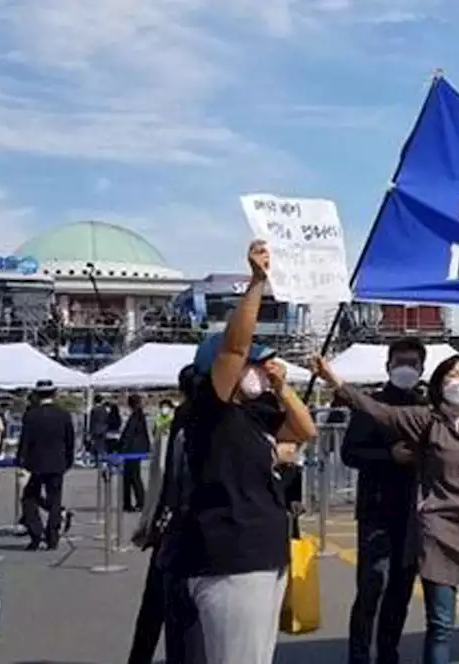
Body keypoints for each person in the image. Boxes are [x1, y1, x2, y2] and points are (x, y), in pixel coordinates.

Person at [310, 302, 459, 664]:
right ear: (440, 384)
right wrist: (335, 381)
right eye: (453, 375)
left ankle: (389, 656)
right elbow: (373, 411)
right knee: (414, 611)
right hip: (419, 525)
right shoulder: (425, 419)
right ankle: (361, 657)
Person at [173, 240, 318, 664]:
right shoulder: (210, 409)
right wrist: (257, 283)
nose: (259, 369)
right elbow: (235, 349)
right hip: (232, 559)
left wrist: (281, 385)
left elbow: (304, 429)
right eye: (256, 365)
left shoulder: (255, 415)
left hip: (262, 554)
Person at [339, 337, 428, 664]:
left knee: (401, 591)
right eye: (400, 362)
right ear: (388, 365)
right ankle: (359, 656)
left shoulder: (426, 405)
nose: (406, 369)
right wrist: (389, 456)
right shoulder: (371, 404)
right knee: (370, 589)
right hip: (376, 510)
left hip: (413, 513)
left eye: (413, 364)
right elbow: (349, 452)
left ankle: (388, 652)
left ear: (422, 368)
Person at [127, 366, 205, 664]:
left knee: (157, 604)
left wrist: (147, 522)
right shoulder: (212, 421)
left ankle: (139, 657)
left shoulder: (174, 420)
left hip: (168, 524)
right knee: (187, 614)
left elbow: (160, 476)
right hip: (199, 526)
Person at [18, 379, 76, 551]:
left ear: (37, 394)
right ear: (54, 394)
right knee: (55, 499)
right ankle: (53, 537)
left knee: (29, 498)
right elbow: (70, 440)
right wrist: (68, 460)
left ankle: (36, 532)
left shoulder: (31, 415)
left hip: (35, 463)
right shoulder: (64, 415)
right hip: (57, 462)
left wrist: (22, 459)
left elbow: (25, 440)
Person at [117, 394, 151, 512]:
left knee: (132, 477)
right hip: (136, 450)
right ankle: (132, 502)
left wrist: (120, 448)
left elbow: (129, 435)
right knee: (131, 477)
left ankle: (138, 502)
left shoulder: (135, 416)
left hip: (132, 451)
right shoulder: (139, 415)